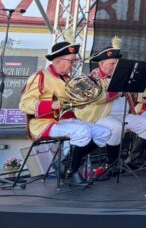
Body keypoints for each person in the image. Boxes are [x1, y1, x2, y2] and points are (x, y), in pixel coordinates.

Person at [19, 41, 110, 187]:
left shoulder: (68, 79)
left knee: (104, 133)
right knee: (83, 131)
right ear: (58, 60)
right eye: (71, 61)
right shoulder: (40, 76)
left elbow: (74, 104)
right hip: (43, 123)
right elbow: (24, 104)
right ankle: (70, 172)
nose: (73, 65)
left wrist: (86, 99)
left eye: (75, 61)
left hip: (65, 120)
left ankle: (66, 164)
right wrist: (51, 105)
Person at [75, 37, 146, 176]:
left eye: (117, 63)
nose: (115, 66)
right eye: (112, 63)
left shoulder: (123, 76)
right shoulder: (91, 78)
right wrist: (118, 90)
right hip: (100, 116)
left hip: (124, 115)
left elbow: (137, 97)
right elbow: (96, 99)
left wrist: (143, 88)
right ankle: (112, 163)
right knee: (117, 127)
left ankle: (130, 161)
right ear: (101, 63)